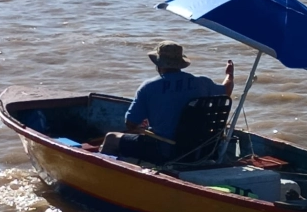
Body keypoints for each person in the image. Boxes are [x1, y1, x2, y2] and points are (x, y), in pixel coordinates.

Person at [99, 41, 234, 163]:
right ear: (180, 63)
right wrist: (229, 75)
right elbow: (226, 90)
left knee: (111, 138)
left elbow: (130, 124)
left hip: (165, 151)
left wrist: (144, 125)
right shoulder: (202, 82)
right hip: (200, 149)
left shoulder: (148, 87)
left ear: (158, 64)